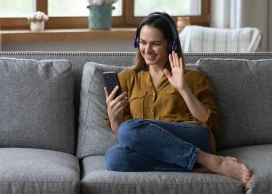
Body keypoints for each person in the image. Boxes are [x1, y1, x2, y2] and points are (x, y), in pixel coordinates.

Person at [103, 12, 252, 186]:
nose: (147, 50)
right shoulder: (126, 78)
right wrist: (114, 117)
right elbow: (125, 135)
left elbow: (211, 124)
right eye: (143, 43)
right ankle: (205, 164)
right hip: (155, 148)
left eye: (155, 44)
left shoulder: (193, 77)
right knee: (115, 157)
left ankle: (210, 160)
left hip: (193, 136)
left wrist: (183, 89)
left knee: (129, 128)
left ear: (171, 45)